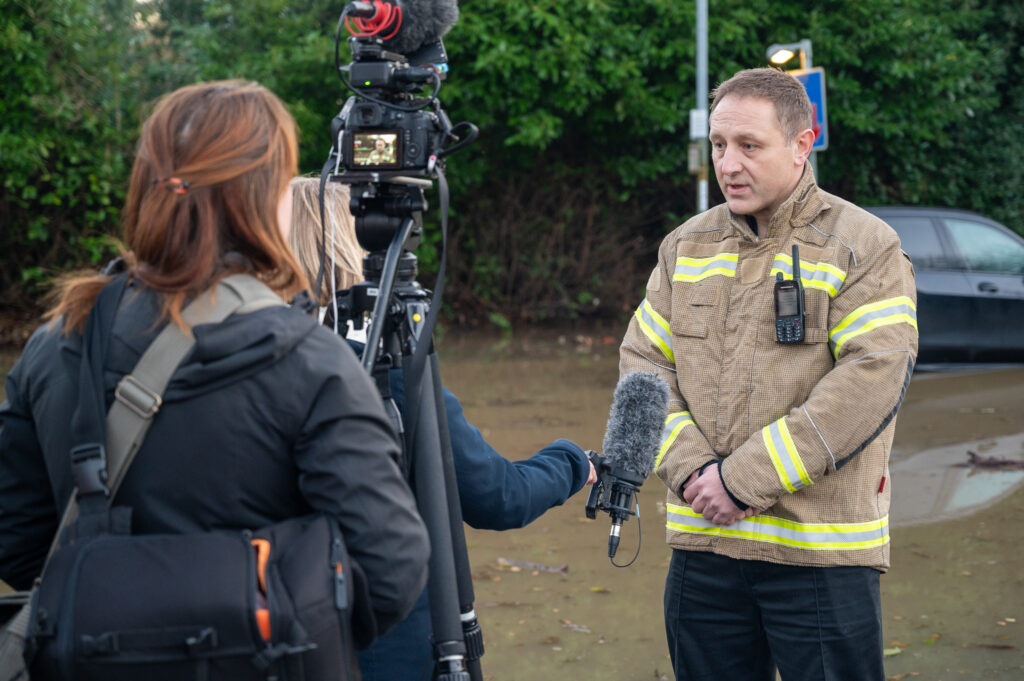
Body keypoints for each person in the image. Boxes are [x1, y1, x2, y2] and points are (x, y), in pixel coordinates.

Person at [0, 81, 429, 645]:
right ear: (261, 197)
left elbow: (14, 534)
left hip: (93, 655)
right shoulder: (310, 357)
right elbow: (391, 569)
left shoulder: (62, 337)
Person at [619, 68, 918, 681]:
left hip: (819, 557)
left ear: (801, 145)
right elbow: (642, 366)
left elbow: (871, 380)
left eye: (749, 146)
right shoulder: (684, 248)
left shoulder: (865, 246)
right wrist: (697, 473)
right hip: (704, 550)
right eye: (719, 145)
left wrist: (742, 480)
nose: (729, 163)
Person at [288, 176, 598, 681]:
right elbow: (498, 496)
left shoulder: (241, 363)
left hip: (270, 633)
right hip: (382, 648)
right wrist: (572, 462)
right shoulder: (387, 372)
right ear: (362, 249)